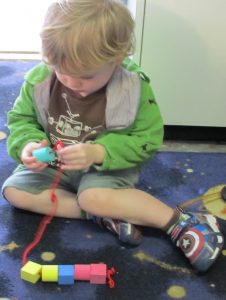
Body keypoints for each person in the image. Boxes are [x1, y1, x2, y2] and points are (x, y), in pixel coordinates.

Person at [1, 0, 224, 273]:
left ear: (117, 59)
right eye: (63, 72)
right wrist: (27, 145)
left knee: (93, 196)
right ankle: (107, 216)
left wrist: (99, 153)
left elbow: (147, 139)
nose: (72, 83)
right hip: (56, 167)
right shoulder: (40, 80)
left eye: (85, 76)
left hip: (106, 169)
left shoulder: (132, 88)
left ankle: (181, 222)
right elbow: (21, 119)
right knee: (15, 192)